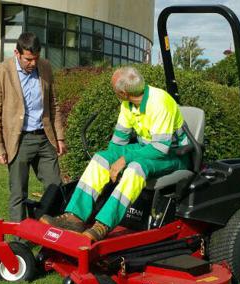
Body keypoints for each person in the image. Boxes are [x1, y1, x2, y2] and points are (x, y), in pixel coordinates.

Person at [41, 67, 190, 241]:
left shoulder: (159, 102)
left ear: (122, 92)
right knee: (101, 159)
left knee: (136, 167)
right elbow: (118, 142)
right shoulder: (129, 105)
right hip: (146, 149)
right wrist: (112, 162)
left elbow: (160, 148)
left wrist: (124, 159)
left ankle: (103, 224)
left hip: (173, 154)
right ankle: (75, 217)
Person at [0, 32, 67, 223]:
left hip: (44, 137)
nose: (33, 63)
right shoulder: (0, 73)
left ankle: (52, 231)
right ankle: (19, 243)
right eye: (28, 59)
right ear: (17, 53)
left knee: (56, 187)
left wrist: (60, 137)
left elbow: (53, 103)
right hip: (19, 140)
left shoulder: (45, 67)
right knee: (18, 193)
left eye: (36, 58)